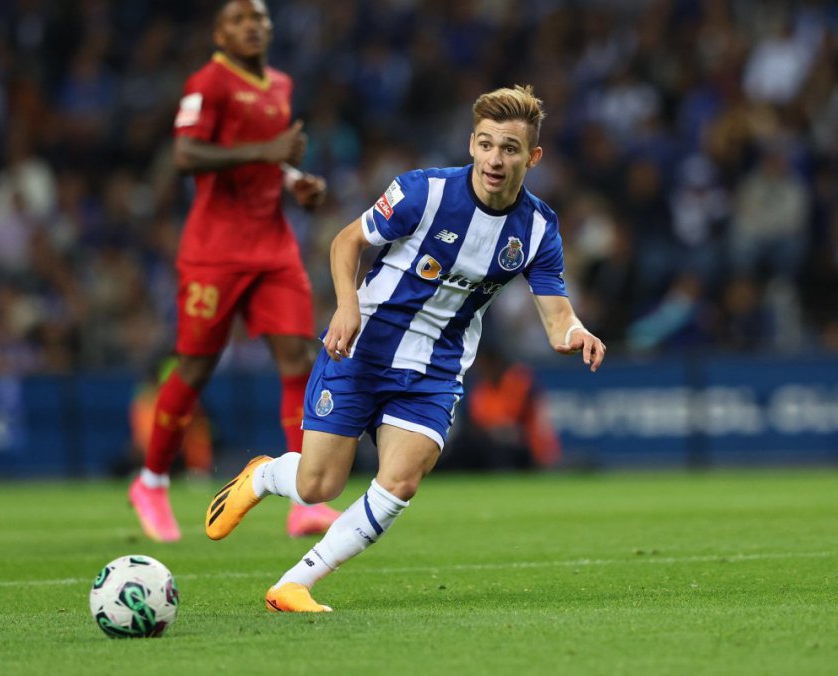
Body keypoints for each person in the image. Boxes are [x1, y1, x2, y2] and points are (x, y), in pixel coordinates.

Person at [204, 85, 606, 612]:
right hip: (362, 348)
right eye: (486, 144)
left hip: (435, 369)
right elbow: (347, 241)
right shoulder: (424, 192)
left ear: (532, 157)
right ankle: (262, 475)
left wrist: (575, 332)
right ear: (471, 145)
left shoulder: (537, 229)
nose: (495, 158)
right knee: (318, 485)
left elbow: (557, 319)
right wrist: (347, 305)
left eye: (509, 148)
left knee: (400, 481)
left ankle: (293, 584)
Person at [128, 0, 340, 542]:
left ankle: (303, 497)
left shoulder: (281, 85)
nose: (252, 26)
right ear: (220, 32)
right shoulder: (209, 82)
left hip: (272, 245)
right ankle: (151, 482)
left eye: (260, 18)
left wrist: (295, 181)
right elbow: (185, 154)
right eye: (240, 19)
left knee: (298, 359)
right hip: (215, 250)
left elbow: (273, 160)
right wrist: (264, 150)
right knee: (194, 369)